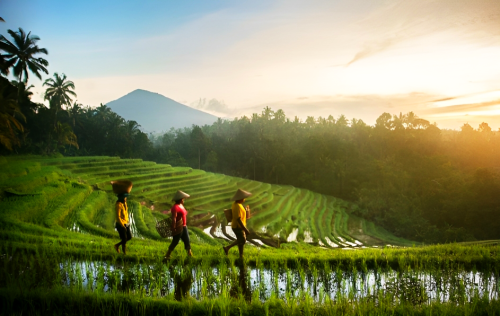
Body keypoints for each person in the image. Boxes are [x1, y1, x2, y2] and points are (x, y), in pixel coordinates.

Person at [163, 190, 193, 260]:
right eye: (183, 199)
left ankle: (190, 255)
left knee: (187, 241)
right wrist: (173, 227)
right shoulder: (175, 207)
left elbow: (183, 214)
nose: (183, 200)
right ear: (180, 199)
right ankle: (167, 255)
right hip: (178, 226)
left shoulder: (181, 206)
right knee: (175, 241)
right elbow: (174, 218)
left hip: (184, 226)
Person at [223, 189, 251, 258]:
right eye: (243, 198)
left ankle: (241, 255)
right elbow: (238, 219)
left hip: (238, 226)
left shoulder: (239, 204)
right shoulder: (237, 206)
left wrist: (246, 210)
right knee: (242, 240)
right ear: (240, 198)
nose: (244, 199)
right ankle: (227, 248)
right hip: (237, 226)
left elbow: (243, 216)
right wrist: (245, 229)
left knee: (241, 242)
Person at [112, 180, 133, 255]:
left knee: (129, 237)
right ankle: (124, 253)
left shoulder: (124, 204)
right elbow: (118, 216)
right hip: (120, 224)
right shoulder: (118, 205)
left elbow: (126, 213)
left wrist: (127, 222)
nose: (126, 198)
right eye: (125, 197)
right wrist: (122, 225)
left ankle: (117, 245)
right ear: (122, 197)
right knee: (124, 239)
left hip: (126, 223)